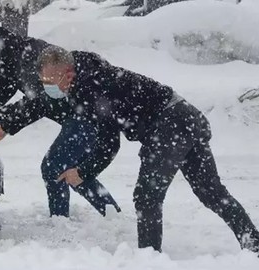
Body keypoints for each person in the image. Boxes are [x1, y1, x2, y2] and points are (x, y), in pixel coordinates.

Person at [32, 46, 259, 253]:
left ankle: (148, 259)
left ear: (68, 74)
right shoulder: (89, 75)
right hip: (186, 116)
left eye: (50, 81)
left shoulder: (93, 88)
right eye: (43, 80)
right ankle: (253, 243)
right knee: (211, 192)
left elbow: (109, 145)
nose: (48, 86)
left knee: (147, 196)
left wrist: (82, 172)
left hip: (169, 126)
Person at [0, 25, 122, 217]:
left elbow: (37, 103)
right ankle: (111, 214)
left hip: (85, 114)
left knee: (54, 166)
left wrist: (4, 125)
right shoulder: (11, 62)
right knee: (71, 170)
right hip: (76, 116)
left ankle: (60, 220)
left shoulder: (30, 57)